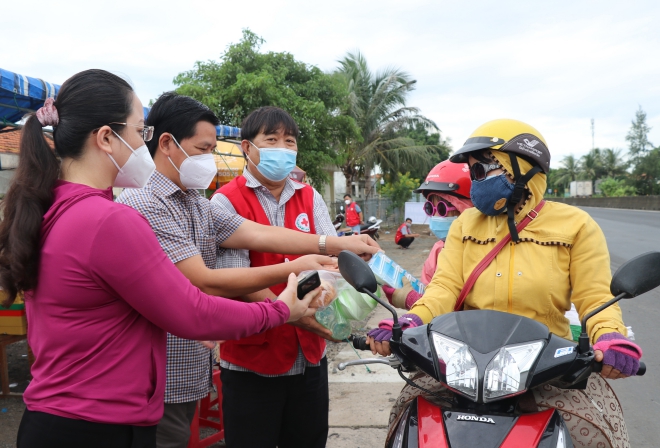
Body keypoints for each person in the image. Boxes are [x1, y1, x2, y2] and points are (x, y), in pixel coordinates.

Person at [0, 69, 317, 448]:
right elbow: (193, 311)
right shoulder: (109, 220)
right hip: (99, 424)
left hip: (58, 416)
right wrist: (283, 310)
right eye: (139, 132)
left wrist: (327, 247)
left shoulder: (54, 206)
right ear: (106, 138)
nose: (143, 144)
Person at [116, 95, 379, 448]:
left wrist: (338, 245)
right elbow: (204, 280)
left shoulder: (195, 201)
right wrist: (291, 297)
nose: (209, 158)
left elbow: (259, 233)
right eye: (204, 148)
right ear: (166, 143)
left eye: (289, 141)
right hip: (162, 372)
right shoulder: (147, 202)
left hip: (196, 366)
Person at [367, 119, 643, 447]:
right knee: (404, 415)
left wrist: (609, 336)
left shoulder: (576, 227)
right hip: (462, 365)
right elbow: (443, 288)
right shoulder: (464, 224)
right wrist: (410, 321)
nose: (475, 181)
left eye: (481, 170)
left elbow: (595, 297)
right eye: (472, 173)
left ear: (520, 168)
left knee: (600, 431)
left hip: (546, 369)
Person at [210, 106, 335, 448]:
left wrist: (326, 296)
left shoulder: (310, 196)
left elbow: (329, 260)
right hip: (253, 360)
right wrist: (293, 314)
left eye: (289, 141)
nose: (282, 148)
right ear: (247, 148)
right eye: (271, 139)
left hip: (309, 358)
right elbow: (235, 275)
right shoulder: (225, 201)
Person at [383, 160, 472, 309]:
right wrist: (416, 297)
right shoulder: (438, 250)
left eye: (443, 209)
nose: (436, 215)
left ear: (467, 209)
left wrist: (414, 300)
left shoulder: (484, 251)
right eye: (431, 208)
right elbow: (430, 292)